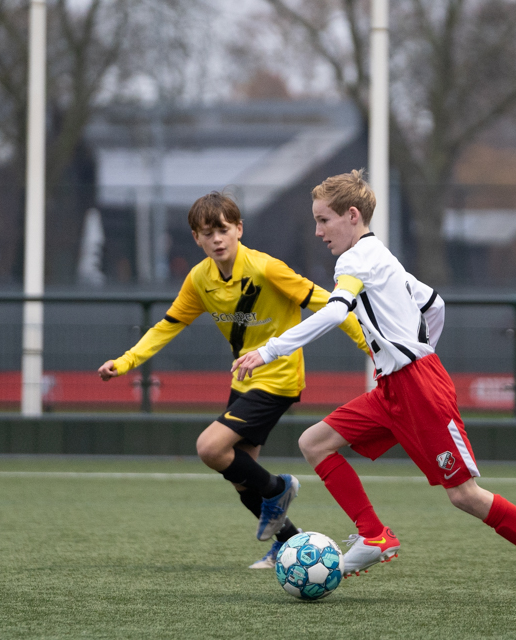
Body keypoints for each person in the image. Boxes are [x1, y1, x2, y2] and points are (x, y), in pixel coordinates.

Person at [232, 171, 516, 606]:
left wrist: (268, 351)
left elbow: (334, 311)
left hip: (418, 388)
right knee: (315, 443)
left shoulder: (356, 260)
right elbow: (433, 304)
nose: (319, 231)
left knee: (464, 495)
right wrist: (416, 352)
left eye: (324, 220)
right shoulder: (380, 256)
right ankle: (374, 536)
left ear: (352, 215)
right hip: (395, 386)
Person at [98, 190, 370, 569]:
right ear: (196, 238)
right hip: (244, 381)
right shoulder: (200, 279)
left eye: (223, 229)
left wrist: (371, 347)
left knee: (210, 448)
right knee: (240, 475)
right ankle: (288, 542)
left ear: (239, 229)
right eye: (207, 233)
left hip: (278, 378)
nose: (217, 239)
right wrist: (126, 362)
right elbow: (167, 326)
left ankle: (280, 487)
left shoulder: (266, 269)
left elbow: (331, 305)